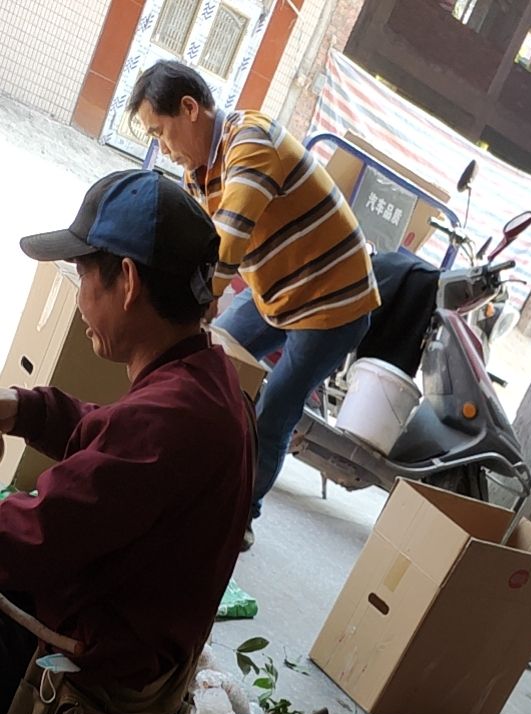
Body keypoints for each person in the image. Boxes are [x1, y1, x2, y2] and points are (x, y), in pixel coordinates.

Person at [0, 170, 254, 714]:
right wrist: (23, 408)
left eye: (82, 272)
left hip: (96, 667)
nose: (78, 298)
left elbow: (30, 540)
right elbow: (115, 444)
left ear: (128, 281)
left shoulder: (168, 419)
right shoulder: (207, 381)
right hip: (136, 639)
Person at [129, 61, 379, 540]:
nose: (163, 148)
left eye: (162, 133)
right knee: (206, 360)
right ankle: (200, 481)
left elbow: (229, 237)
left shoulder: (251, 139)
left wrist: (197, 303)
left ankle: (239, 520)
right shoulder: (200, 172)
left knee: (273, 410)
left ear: (190, 108)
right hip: (279, 296)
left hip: (335, 303)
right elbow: (198, 243)